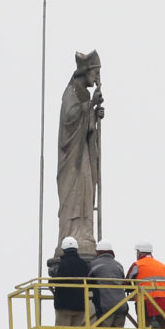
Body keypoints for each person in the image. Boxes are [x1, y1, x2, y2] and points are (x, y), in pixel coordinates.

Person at [56, 50, 103, 258]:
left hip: (82, 153)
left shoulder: (81, 93)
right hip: (72, 157)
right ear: (86, 71)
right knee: (75, 190)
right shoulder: (72, 92)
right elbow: (70, 119)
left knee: (86, 189)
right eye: (95, 72)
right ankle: (72, 231)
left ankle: (84, 232)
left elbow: (86, 125)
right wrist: (90, 106)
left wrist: (94, 114)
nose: (97, 77)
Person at [126, 241, 165, 328]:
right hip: (164, 302)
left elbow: (127, 282)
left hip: (145, 302)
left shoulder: (137, 265)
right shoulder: (162, 266)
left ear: (139, 253)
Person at [52, 236, 92, 326]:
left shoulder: (64, 263)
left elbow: (60, 280)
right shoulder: (83, 264)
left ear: (63, 249)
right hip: (80, 306)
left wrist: (52, 281)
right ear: (76, 248)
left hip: (65, 305)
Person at [88, 239, 127, 328]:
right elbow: (124, 282)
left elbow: (87, 281)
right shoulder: (119, 265)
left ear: (98, 252)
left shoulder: (94, 264)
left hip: (105, 307)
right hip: (122, 306)